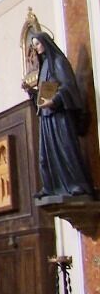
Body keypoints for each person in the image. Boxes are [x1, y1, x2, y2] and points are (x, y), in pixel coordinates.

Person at [23, 32, 96, 199]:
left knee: (66, 149)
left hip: (59, 117)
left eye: (38, 44)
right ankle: (51, 186)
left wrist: (54, 101)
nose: (36, 48)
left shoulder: (58, 62)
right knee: (45, 155)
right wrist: (32, 92)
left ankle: (76, 184)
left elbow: (67, 87)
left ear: (46, 42)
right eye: (34, 45)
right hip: (46, 117)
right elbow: (45, 92)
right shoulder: (45, 66)